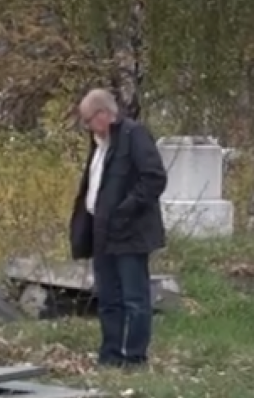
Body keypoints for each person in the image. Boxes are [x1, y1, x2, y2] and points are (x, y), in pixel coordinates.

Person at [69, 89, 167, 368]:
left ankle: (135, 357)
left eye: (89, 120)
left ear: (103, 114)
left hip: (130, 233)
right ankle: (110, 355)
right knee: (109, 298)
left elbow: (154, 178)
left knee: (135, 299)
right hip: (102, 232)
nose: (87, 127)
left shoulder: (133, 136)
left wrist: (125, 210)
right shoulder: (100, 145)